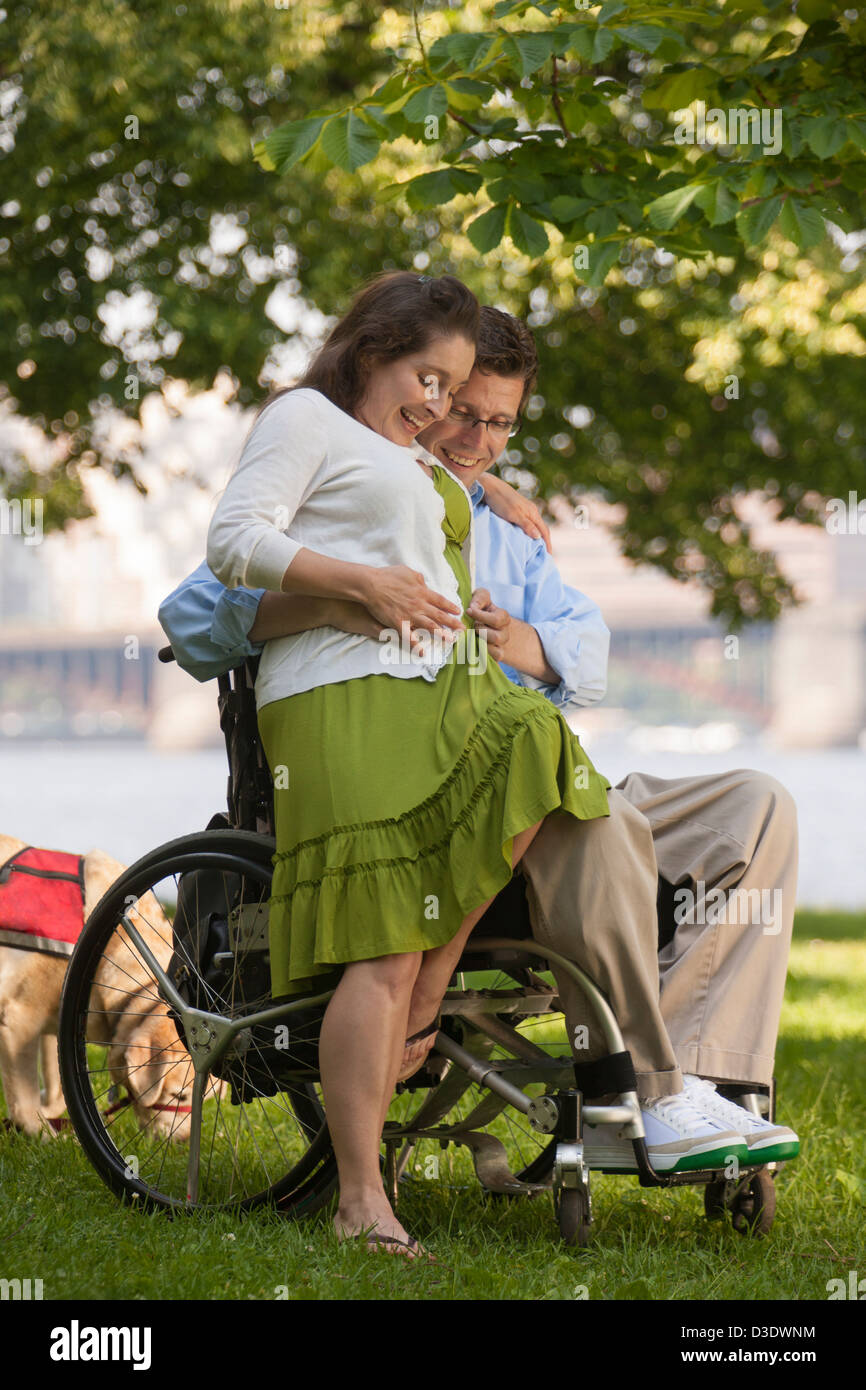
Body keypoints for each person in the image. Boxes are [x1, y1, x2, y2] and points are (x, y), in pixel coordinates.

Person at [163, 303, 799, 1179]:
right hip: (444, 793)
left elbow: (593, 657)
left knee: (757, 807)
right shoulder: (344, 491)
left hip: (547, 775)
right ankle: (640, 1092)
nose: (475, 438)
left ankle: (709, 1086)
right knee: (581, 804)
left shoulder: (505, 532)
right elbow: (195, 617)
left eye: (501, 423)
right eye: (462, 410)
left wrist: (519, 643)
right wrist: (359, 596)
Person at [199, 271, 652, 1260]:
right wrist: (355, 586)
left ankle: (433, 976)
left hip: (435, 697)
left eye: (452, 391)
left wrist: (488, 483)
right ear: (371, 349)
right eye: (426, 378)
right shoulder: (303, 420)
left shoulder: (413, 456)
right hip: (339, 702)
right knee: (384, 942)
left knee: (539, 747)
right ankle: (361, 1195)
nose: (437, 406)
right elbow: (233, 542)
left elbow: (439, 479)